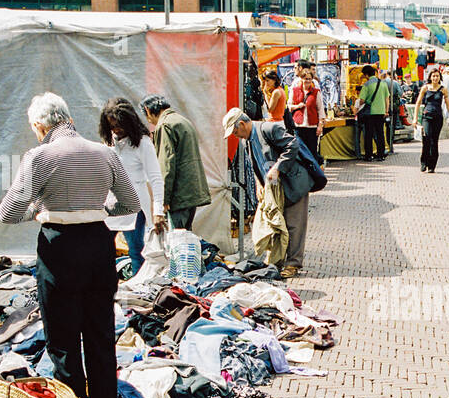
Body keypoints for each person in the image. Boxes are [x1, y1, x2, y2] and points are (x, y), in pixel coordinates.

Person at [0, 93, 140, 398]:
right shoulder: (104, 153)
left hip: (59, 246)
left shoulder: (40, 157)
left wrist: (39, 207)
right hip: (98, 245)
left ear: (41, 126)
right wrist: (96, 206)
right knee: (100, 340)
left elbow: (8, 212)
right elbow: (131, 203)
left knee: (63, 345)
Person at [222, 107, 324, 280]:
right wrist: (258, 183)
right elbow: (256, 163)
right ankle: (278, 260)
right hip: (274, 187)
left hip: (293, 183)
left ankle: (293, 264)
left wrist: (278, 167)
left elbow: (293, 144)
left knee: (294, 225)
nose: (235, 135)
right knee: (278, 223)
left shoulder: (268, 129)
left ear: (241, 124)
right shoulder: (247, 140)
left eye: (235, 131)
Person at [98, 97, 164, 275]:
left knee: (136, 251)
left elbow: (156, 178)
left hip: (135, 205)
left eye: (119, 126)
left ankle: (139, 288)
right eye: (112, 126)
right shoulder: (109, 142)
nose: (116, 130)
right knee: (102, 251)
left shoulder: (143, 143)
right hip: (110, 204)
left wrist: (158, 211)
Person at [139, 95, 210, 232]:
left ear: (147, 111)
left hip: (179, 196)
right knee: (185, 236)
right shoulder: (183, 121)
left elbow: (166, 166)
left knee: (178, 239)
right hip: (192, 191)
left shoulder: (164, 125)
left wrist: (163, 201)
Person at [416, 67, 449, 174]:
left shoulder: (443, 89)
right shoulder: (425, 88)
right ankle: (424, 162)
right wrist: (415, 118)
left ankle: (432, 166)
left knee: (434, 141)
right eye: (433, 76)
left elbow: (448, 105)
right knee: (426, 139)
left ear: (440, 77)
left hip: (438, 117)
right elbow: (418, 102)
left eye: (437, 76)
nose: (435, 78)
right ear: (430, 77)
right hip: (426, 116)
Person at [290, 60, 325, 160]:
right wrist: (298, 106)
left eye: (310, 79)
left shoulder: (316, 92)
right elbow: (289, 106)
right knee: (300, 152)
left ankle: (313, 173)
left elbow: (321, 110)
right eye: (306, 79)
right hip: (299, 126)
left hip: (311, 126)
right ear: (301, 79)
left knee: (312, 152)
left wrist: (320, 126)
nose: (308, 81)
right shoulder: (295, 90)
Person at [261, 68, 295, 133]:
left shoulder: (276, 92)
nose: (266, 83)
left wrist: (265, 94)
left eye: (267, 81)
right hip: (278, 122)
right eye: (265, 81)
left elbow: (270, 109)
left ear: (274, 80)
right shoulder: (280, 90)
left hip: (275, 123)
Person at [386, 69, 405, 154]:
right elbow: (401, 94)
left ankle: (386, 146)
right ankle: (390, 146)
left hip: (383, 107)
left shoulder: (383, 82)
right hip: (393, 107)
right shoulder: (395, 83)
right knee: (392, 127)